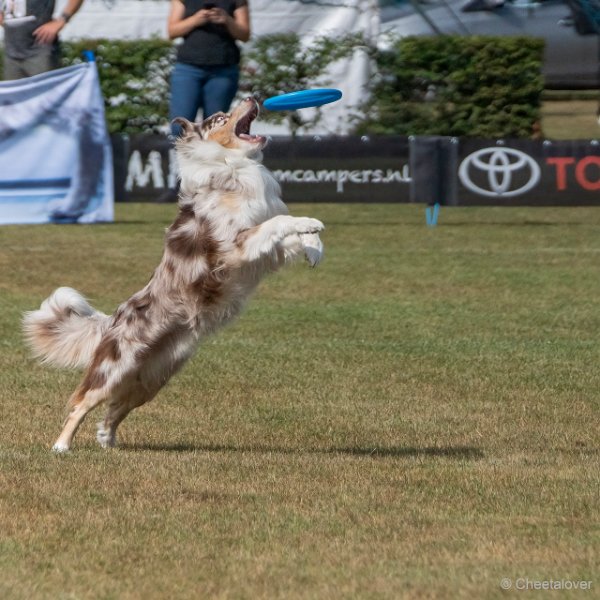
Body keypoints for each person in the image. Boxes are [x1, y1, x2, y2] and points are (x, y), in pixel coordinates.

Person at [158, 0, 250, 201]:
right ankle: (184, 181)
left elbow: (244, 34)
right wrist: (197, 19)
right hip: (188, 68)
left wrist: (226, 19)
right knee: (180, 127)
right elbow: (173, 31)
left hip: (223, 69)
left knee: (215, 130)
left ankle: (210, 183)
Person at [0, 0, 84, 80]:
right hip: (11, 53)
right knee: (16, 94)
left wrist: (62, 20)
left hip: (40, 51)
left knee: (47, 94)